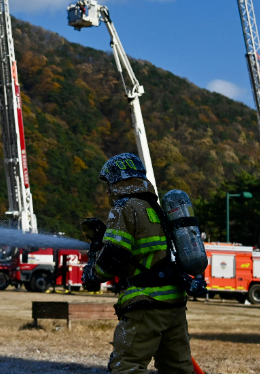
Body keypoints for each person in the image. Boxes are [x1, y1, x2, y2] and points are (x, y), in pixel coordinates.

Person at [83, 153, 197, 374]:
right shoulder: (156, 208)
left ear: (119, 181)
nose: (107, 190)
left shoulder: (125, 208)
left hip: (146, 303)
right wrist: (103, 238)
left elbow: (114, 258)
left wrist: (91, 274)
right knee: (177, 368)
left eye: (109, 184)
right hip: (173, 303)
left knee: (126, 366)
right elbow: (144, 249)